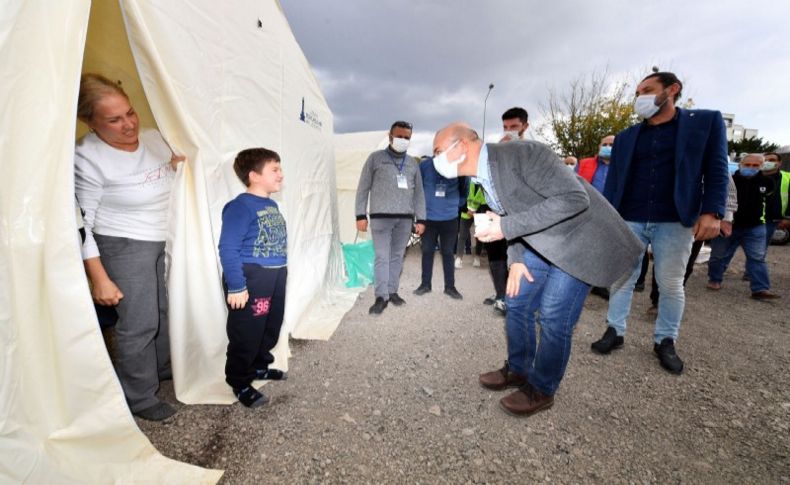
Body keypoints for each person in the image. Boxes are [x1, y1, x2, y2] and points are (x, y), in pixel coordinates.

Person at [432, 123, 642, 417]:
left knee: (554, 315)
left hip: (577, 241)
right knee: (516, 302)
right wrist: (516, 259)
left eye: (438, 152)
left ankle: (542, 388)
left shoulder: (522, 153)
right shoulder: (483, 176)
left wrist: (505, 228)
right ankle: (519, 370)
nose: (435, 160)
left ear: (462, 146)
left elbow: (574, 198)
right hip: (540, 241)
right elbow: (512, 215)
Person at [591, 71, 729, 375]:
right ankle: (615, 331)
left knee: (670, 284)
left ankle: (665, 339)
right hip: (630, 216)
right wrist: (608, 219)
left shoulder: (705, 122)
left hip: (675, 219)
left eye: (648, 90)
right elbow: (614, 181)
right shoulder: (627, 136)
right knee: (622, 279)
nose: (641, 97)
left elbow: (717, 170)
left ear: (673, 89)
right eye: (638, 92)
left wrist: (714, 212)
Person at [74, 73, 185, 421]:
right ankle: (139, 396)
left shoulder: (153, 138)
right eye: (114, 119)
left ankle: (161, 368)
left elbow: (159, 174)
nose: (128, 124)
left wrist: (174, 167)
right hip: (122, 244)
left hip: (165, 236)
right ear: (90, 122)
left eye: (130, 113)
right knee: (139, 322)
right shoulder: (86, 158)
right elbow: (80, 224)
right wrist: (99, 278)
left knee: (168, 312)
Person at [218, 148, 289, 408]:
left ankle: (259, 366)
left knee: (270, 325)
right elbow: (228, 248)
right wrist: (237, 285)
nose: (281, 175)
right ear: (254, 176)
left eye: (280, 169)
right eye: (275, 169)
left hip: (276, 274)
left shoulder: (271, 204)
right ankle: (239, 380)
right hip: (252, 276)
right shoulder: (239, 207)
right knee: (246, 331)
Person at [355, 121, 426, 315]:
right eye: (399, 136)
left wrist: (421, 219)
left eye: (407, 137)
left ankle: (392, 291)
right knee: (382, 256)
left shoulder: (412, 163)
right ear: (390, 136)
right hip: (380, 218)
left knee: (397, 256)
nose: (403, 140)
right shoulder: (375, 159)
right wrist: (360, 214)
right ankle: (381, 296)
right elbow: (363, 188)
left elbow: (419, 193)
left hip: (405, 219)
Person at [707, 154, 780, 300]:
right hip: (729, 224)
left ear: (761, 166)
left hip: (755, 227)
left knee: (757, 258)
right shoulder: (729, 181)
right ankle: (715, 279)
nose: (751, 168)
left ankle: (760, 289)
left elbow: (771, 202)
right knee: (718, 255)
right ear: (741, 165)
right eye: (748, 165)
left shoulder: (768, 182)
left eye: (755, 165)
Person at [413, 156, 465, 299]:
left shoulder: (457, 165)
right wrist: (420, 216)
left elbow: (464, 188)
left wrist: (454, 205)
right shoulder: (425, 166)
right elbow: (418, 189)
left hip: (450, 218)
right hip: (428, 218)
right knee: (427, 251)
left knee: (448, 252)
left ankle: (450, 287)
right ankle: (425, 285)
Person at [578, 135, 615, 299]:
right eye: (604, 144)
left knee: (606, 250)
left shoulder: (623, 165)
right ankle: (578, 279)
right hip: (587, 211)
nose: (607, 147)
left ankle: (600, 284)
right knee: (584, 247)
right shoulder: (585, 163)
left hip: (612, 213)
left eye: (611, 144)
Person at [762, 152, 790, 248]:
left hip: (772, 221)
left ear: (779, 163)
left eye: (772, 160)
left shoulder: (788, 178)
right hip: (752, 219)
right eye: (765, 160)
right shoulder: (755, 176)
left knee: (758, 251)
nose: (767, 162)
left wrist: (788, 217)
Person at [454, 183, 484, 269]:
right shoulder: (467, 182)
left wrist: (476, 213)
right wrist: (467, 210)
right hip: (466, 212)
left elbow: (485, 202)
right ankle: (458, 258)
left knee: (479, 235)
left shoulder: (484, 184)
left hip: (479, 213)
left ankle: (477, 257)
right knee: (462, 235)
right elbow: (461, 198)